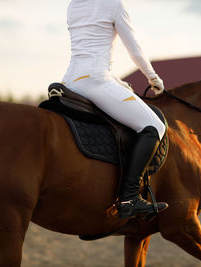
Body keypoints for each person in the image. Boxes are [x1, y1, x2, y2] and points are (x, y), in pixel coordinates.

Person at [61, 0, 168, 219]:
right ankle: (129, 197)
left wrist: (118, 82)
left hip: (70, 80)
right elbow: (135, 49)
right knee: (153, 125)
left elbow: (88, 51)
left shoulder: (74, 5)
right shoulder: (114, 4)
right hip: (94, 80)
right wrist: (152, 77)